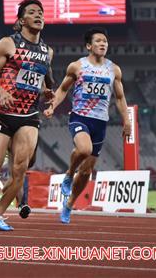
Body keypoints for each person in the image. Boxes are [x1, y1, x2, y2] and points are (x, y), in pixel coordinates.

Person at [0, 0, 53, 231]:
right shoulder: (8, 44)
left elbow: (44, 80)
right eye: (32, 12)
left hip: (29, 116)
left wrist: (47, 92)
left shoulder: (47, 52)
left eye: (40, 12)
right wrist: (0, 92)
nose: (38, 15)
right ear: (21, 20)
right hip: (3, 113)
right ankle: (5, 152)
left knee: (20, 168)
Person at [44, 27, 130, 224]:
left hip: (100, 122)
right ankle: (68, 174)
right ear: (89, 46)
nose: (103, 44)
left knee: (86, 171)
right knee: (84, 148)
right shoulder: (77, 66)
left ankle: (69, 205)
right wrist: (52, 107)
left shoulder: (113, 69)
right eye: (98, 41)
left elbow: (120, 98)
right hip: (80, 117)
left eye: (105, 41)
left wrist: (127, 122)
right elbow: (63, 89)